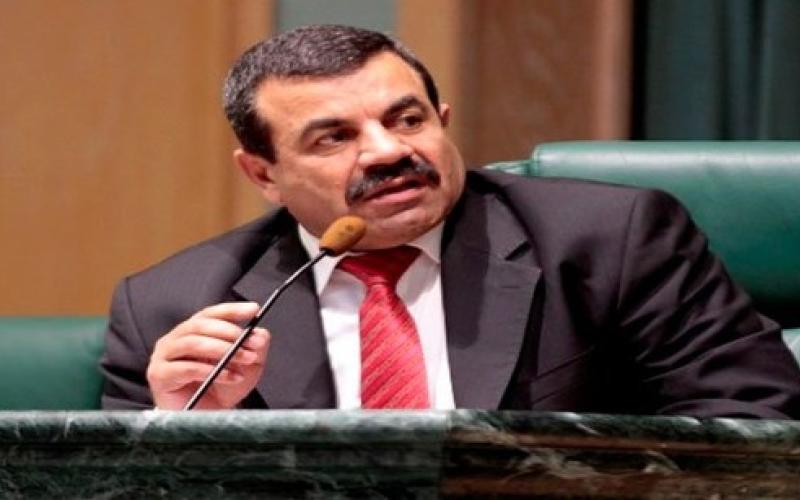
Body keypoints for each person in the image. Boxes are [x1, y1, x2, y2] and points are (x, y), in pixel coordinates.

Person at [101, 24, 800, 417]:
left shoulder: (609, 240)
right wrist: (183, 430)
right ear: (263, 175)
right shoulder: (175, 305)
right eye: (334, 137)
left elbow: (754, 424)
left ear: (442, 120)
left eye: (406, 120)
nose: (388, 152)